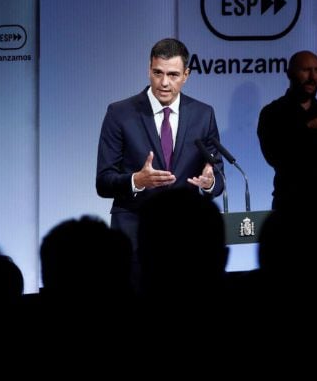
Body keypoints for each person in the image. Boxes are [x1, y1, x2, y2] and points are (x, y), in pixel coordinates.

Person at [96, 38, 225, 261]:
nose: (164, 82)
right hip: (134, 231)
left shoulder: (203, 114)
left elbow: (218, 177)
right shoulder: (120, 113)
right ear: (149, 70)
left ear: (186, 75)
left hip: (186, 233)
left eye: (173, 75)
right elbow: (103, 182)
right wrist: (137, 180)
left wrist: (209, 182)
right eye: (158, 73)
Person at [257, 50, 317, 210]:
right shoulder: (273, 112)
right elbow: (273, 156)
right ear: (290, 73)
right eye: (306, 70)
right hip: (291, 204)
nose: (313, 77)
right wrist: (306, 127)